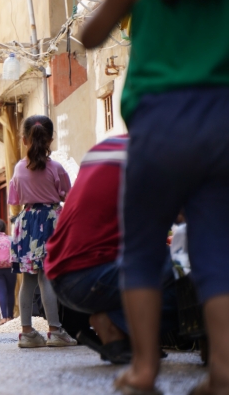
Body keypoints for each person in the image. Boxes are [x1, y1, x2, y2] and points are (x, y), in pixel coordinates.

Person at [81, 0, 229, 395]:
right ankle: (224, 375)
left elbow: (90, 35)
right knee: (216, 254)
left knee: (142, 249)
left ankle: (144, 371)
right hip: (221, 122)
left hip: (159, 125)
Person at [44, 136, 178, 364]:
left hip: (65, 275)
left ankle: (121, 335)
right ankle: (116, 323)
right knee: (187, 271)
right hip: (89, 275)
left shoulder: (107, 146)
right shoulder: (159, 156)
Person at [8, 115, 76, 348]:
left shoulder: (18, 168)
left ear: (24, 140)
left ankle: (27, 333)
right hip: (50, 222)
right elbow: (68, 195)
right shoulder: (56, 168)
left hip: (26, 223)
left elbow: (14, 199)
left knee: (27, 281)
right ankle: (55, 331)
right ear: (51, 140)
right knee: (47, 278)